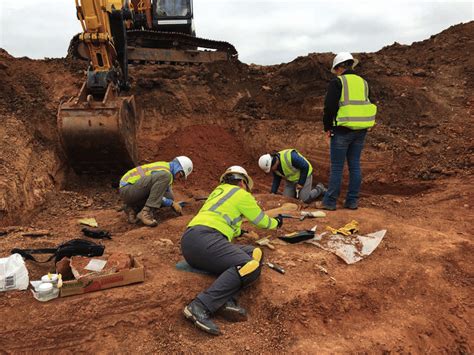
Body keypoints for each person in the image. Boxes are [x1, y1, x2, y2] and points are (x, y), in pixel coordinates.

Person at [181, 166, 283, 335]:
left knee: (255, 252)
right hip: (206, 240)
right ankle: (200, 306)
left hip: (193, 239)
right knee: (249, 265)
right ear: (243, 182)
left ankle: (223, 299)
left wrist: (239, 231)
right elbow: (261, 220)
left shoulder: (218, 192)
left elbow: (223, 221)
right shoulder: (242, 194)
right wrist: (277, 223)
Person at [317, 52, 377, 210]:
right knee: (355, 165)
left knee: (337, 167)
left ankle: (330, 202)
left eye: (336, 69)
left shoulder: (338, 82)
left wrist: (328, 127)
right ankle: (352, 201)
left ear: (340, 67)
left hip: (342, 130)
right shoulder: (364, 82)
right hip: (361, 130)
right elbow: (371, 103)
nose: (336, 72)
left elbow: (329, 107)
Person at [118, 156, 193, 226]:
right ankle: (146, 213)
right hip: (127, 188)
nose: (179, 178)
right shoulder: (165, 173)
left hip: (134, 191)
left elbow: (158, 195)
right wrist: (171, 203)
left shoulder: (166, 170)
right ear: (178, 168)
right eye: (181, 175)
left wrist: (171, 202)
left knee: (169, 196)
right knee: (165, 177)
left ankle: (133, 208)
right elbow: (157, 196)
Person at [258, 149, 326, 204]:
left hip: (305, 175)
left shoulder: (291, 157)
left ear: (274, 162)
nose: (271, 170)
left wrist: (301, 183)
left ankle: (320, 188)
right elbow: (276, 179)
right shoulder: (274, 167)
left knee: (304, 200)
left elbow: (305, 166)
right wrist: (273, 192)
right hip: (291, 181)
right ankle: (305, 190)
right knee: (286, 201)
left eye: (270, 168)